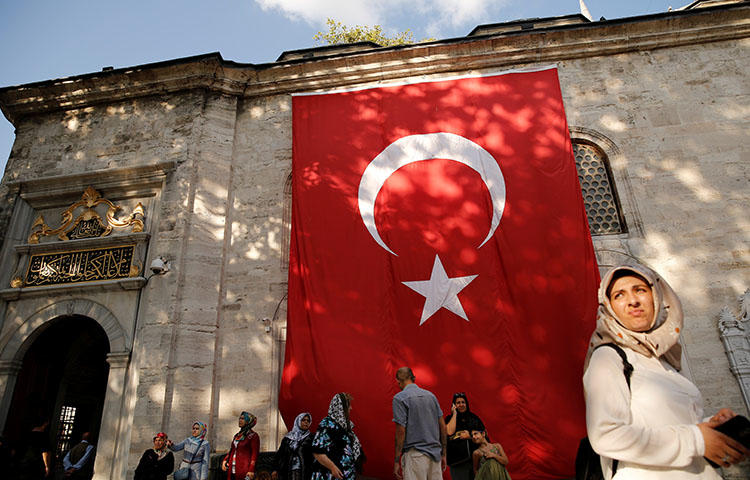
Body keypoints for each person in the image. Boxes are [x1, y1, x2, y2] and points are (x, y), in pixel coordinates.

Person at [583, 264, 749, 479]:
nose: (633, 300)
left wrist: (709, 426)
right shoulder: (609, 357)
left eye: (640, 290)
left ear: (657, 297)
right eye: (619, 295)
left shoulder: (665, 360)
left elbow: (669, 424)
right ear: (609, 307)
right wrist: (696, 440)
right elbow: (606, 435)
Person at [392, 366, 447, 480]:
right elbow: (443, 426)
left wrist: (397, 459)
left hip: (415, 454)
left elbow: (401, 431)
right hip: (435, 454)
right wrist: (444, 453)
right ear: (413, 378)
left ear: (398, 381)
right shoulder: (431, 396)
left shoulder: (400, 398)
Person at [310, 393, 364, 480]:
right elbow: (317, 452)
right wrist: (333, 468)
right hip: (329, 475)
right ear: (341, 407)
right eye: (348, 406)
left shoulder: (345, 426)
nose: (351, 408)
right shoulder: (327, 424)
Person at [445, 392, 485, 480]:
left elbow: (484, 437)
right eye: (458, 403)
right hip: (457, 463)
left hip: (475, 461)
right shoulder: (449, 419)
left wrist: (470, 436)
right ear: (454, 405)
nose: (461, 405)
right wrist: (454, 414)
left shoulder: (474, 418)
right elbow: (448, 432)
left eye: (463, 402)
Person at [272, 412, 314, 480]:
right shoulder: (288, 438)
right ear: (298, 421)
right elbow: (280, 454)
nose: (306, 422)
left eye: (308, 421)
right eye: (303, 420)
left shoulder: (311, 438)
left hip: (304, 471)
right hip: (288, 470)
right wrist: (275, 469)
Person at [222, 412, 260, 480]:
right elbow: (232, 450)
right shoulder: (237, 435)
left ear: (248, 421)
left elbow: (255, 454)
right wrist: (225, 460)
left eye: (243, 419)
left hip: (244, 469)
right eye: (240, 418)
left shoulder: (253, 436)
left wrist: (251, 469)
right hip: (232, 468)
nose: (240, 420)